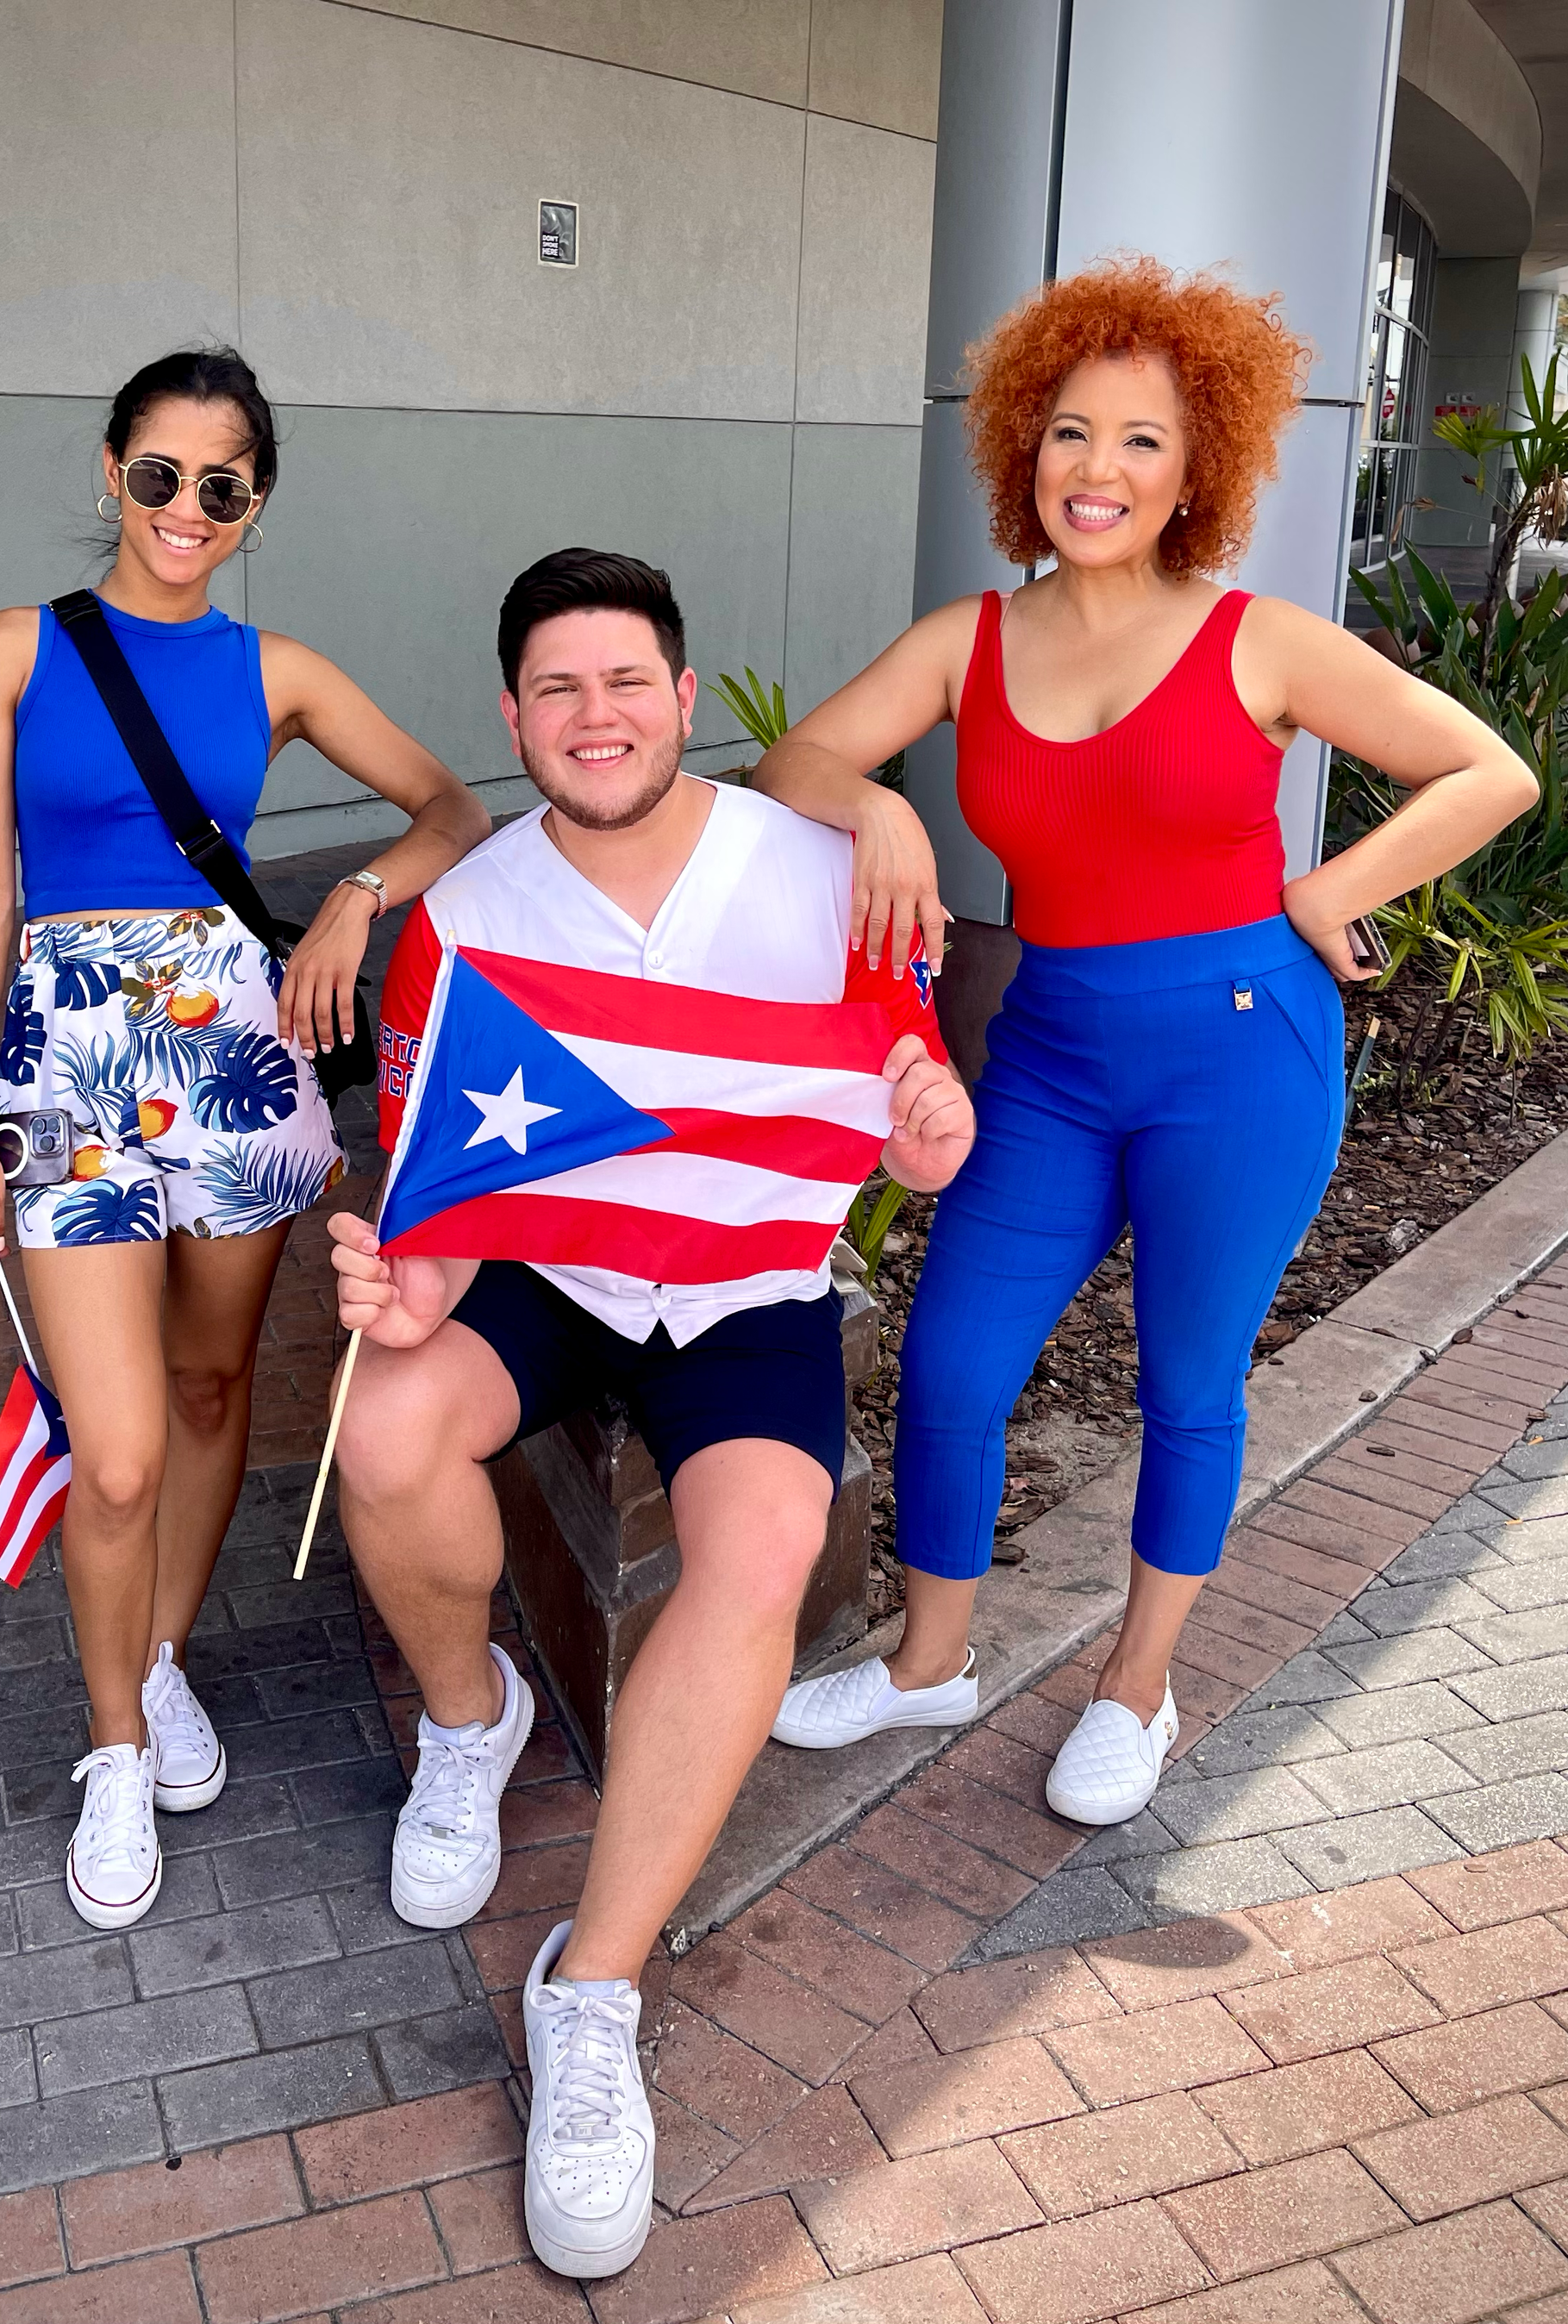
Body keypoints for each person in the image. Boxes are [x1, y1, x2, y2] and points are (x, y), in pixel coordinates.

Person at [761, 256, 1538, 1826]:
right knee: (955, 1356)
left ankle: (1139, 1687)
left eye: (1139, 440)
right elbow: (794, 763)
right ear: (1019, 450)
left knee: (1189, 1384)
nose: (1096, 470)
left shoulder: (1259, 639)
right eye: (1067, 432)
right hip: (1052, 1050)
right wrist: (884, 805)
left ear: (1199, 470)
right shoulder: (966, 641)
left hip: (1239, 1056)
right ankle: (934, 1664)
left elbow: (1486, 773)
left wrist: (1326, 890)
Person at [326, 549, 975, 2278]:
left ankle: (589, 1990)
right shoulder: (463, 920)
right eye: (556, 688)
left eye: (626, 683)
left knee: (758, 1546)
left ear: (686, 702)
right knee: (384, 1423)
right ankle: (472, 1723)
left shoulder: (826, 870)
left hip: (743, 1289)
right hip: (552, 1268)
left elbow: (919, 1113)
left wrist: (925, 1134)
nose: (593, 716)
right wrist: (405, 1294)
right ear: (510, 717)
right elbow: (444, 1205)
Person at [0, 347, 487, 1931]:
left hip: (235, 1050)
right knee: (109, 1450)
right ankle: (115, 1748)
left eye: (223, 486)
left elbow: (453, 804)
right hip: (71, 1061)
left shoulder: (278, 669)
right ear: (112, 471)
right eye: (162, 475)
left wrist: (363, 898)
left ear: (255, 502)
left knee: (207, 1385)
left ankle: (159, 1661)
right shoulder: (11, 653)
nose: (188, 509)